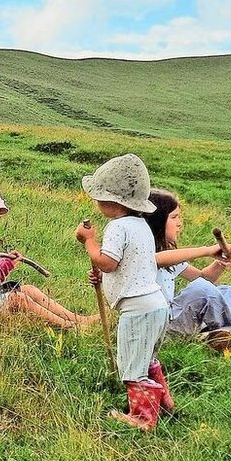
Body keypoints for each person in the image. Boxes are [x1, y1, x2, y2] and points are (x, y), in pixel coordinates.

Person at [74, 153, 170, 431]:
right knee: (147, 357)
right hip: (156, 305)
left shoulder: (117, 227)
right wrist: (103, 277)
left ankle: (142, 418)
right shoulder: (141, 226)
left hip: (137, 310)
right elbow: (129, 267)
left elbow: (108, 262)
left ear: (111, 201)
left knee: (131, 364)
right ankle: (164, 401)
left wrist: (89, 242)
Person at [0, 182, 98, 328]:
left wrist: (8, 263)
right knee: (19, 299)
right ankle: (69, 326)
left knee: (29, 290)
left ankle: (76, 318)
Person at [143, 188, 231, 351]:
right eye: (174, 217)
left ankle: (215, 336)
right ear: (156, 221)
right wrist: (207, 250)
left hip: (173, 316)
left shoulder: (170, 255)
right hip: (161, 323)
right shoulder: (146, 252)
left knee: (226, 291)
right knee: (202, 290)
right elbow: (158, 260)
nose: (180, 223)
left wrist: (222, 262)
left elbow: (202, 277)